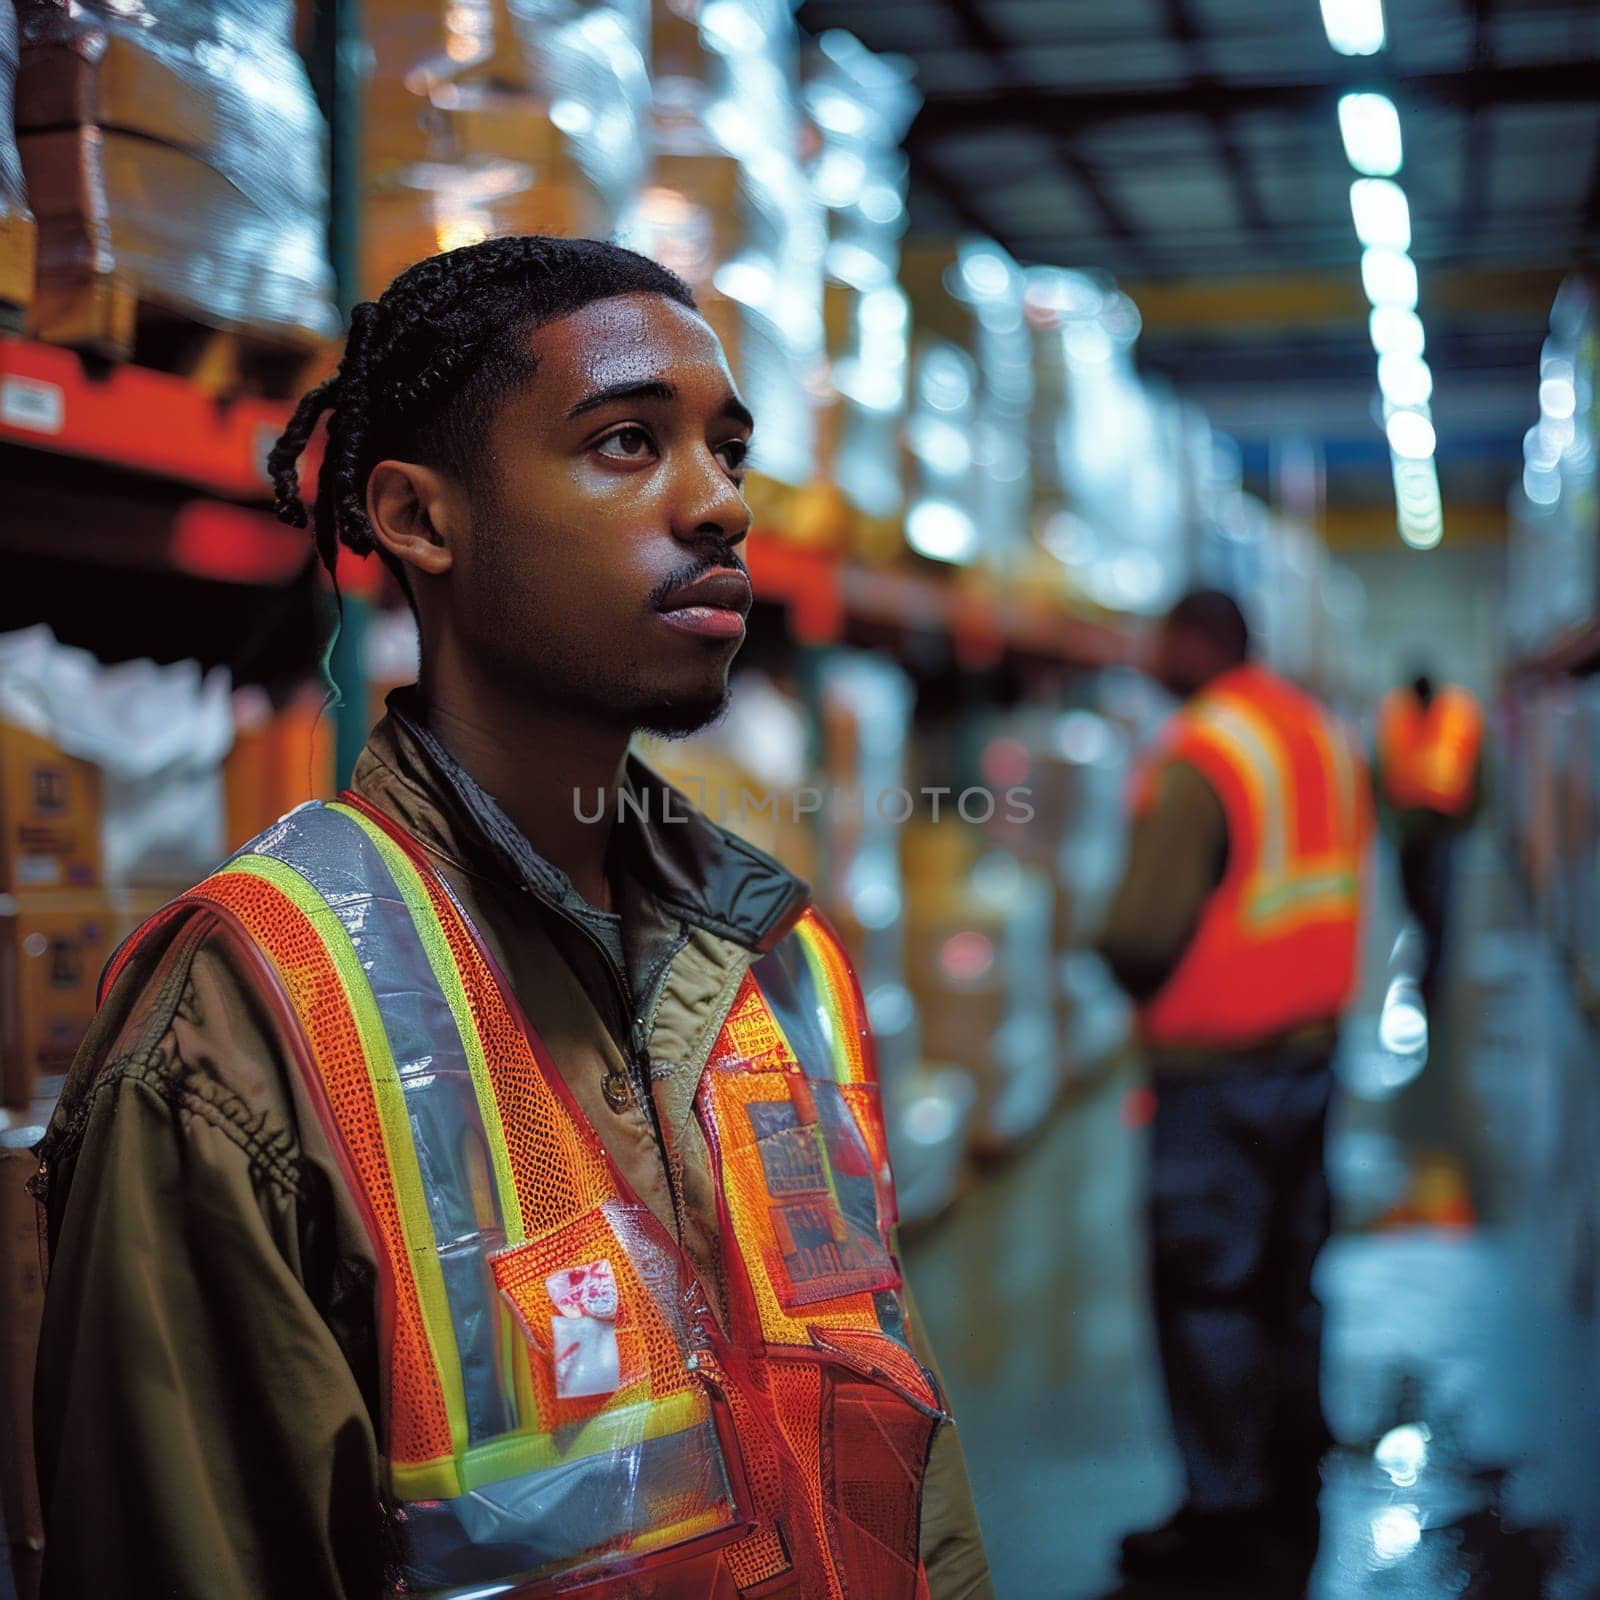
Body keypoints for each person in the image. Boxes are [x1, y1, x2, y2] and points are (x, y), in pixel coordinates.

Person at [30, 236, 992, 1600]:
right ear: (421, 520)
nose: (717, 502)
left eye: (729, 450)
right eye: (623, 443)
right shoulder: (245, 1032)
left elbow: (899, 1463)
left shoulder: (783, 965)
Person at [1096, 590, 1369, 1594]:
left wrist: (1114, 966)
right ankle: (1293, 1467)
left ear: (1198, 643)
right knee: (1289, 1277)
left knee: (1209, 1287)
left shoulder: (1204, 750)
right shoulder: (1320, 734)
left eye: (1163, 637)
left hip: (1217, 1076)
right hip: (1311, 1054)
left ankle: (1223, 1509)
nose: (1150, 652)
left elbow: (1138, 931)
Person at [1374, 671, 1486, 1012]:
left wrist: (1467, 822)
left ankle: (1434, 980)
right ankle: (1427, 957)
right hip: (1409, 829)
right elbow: (1379, 771)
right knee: (1411, 898)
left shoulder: (1459, 713)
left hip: (1443, 828)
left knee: (1438, 904)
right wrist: (1386, 823)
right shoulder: (1395, 713)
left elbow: (1477, 770)